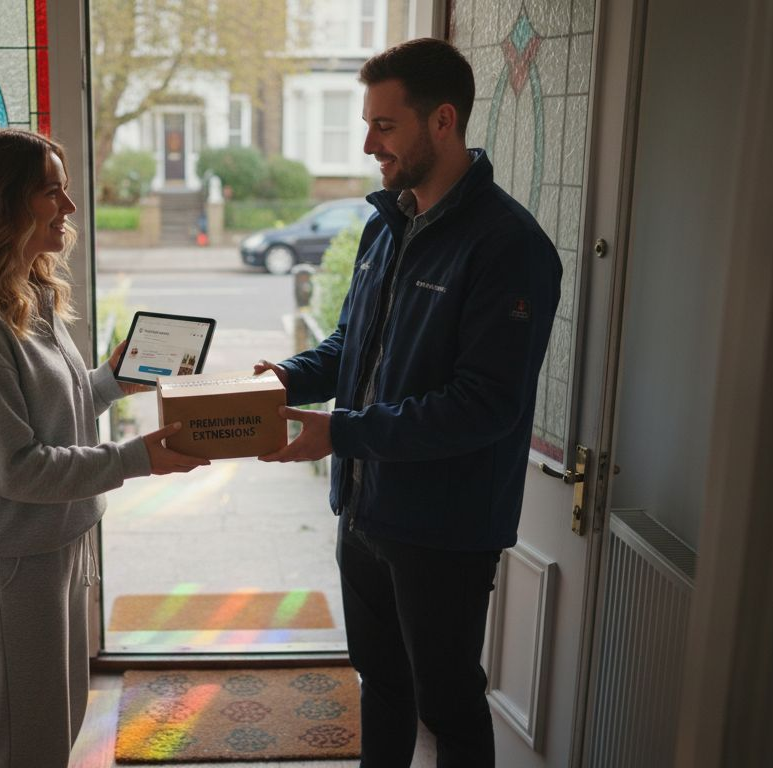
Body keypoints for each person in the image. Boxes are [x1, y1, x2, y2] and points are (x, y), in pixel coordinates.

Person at [255, 38, 561, 766]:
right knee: (382, 686)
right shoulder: (384, 224)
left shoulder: (508, 246)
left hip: (443, 532)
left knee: (449, 706)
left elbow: (482, 407)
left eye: (384, 126)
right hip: (363, 511)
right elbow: (351, 345)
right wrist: (283, 381)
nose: (367, 144)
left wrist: (339, 432)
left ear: (443, 121)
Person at [0, 128, 208, 768]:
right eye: (53, 192)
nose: (70, 208)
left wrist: (109, 382)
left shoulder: (30, 296)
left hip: (62, 543)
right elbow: (16, 469)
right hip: (14, 564)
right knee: (28, 744)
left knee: (60, 723)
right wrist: (139, 458)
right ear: (5, 204)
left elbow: (50, 418)